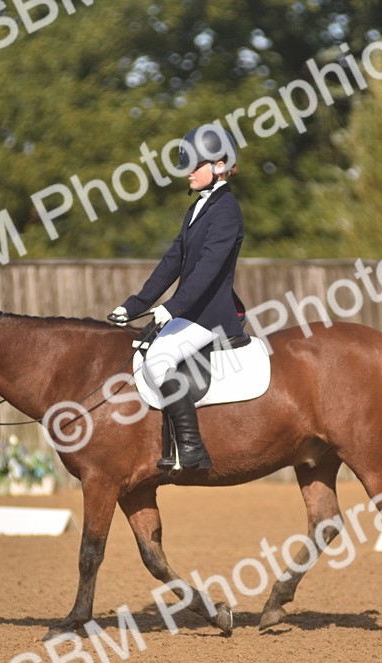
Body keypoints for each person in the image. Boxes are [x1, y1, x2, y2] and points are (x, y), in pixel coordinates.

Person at [109, 124, 247, 472]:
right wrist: (134, 304)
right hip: (191, 312)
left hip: (211, 315)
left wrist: (171, 307)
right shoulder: (198, 208)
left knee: (158, 361)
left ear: (218, 166)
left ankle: (191, 447)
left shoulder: (227, 211)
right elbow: (173, 261)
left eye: (195, 165)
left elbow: (208, 270)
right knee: (142, 348)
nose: (188, 172)